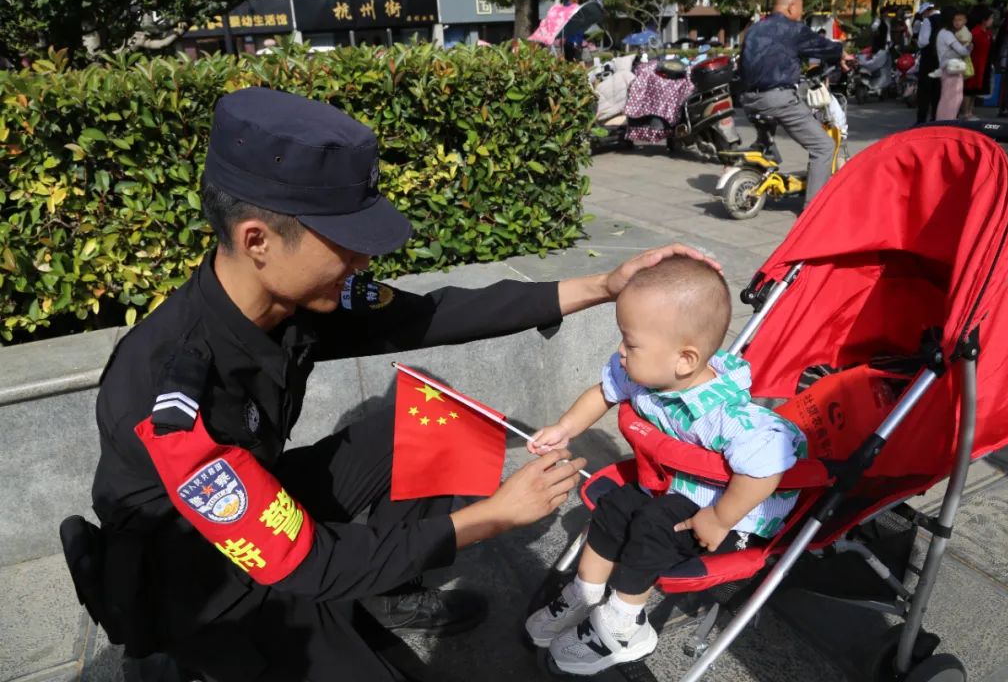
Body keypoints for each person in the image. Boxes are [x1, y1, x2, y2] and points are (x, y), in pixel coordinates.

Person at [88, 87, 718, 681]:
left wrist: (601, 286)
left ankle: (387, 591)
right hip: (206, 580)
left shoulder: (290, 299)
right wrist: (491, 518)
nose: (363, 262)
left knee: (433, 422)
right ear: (258, 241)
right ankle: (186, 661)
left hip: (268, 503)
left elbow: (430, 315)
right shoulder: (169, 392)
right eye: (347, 244)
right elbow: (305, 560)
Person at [522, 258, 806, 675]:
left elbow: (766, 468)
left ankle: (624, 624)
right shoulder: (649, 374)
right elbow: (602, 393)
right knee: (615, 506)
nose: (620, 350)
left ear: (685, 360)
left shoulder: (728, 416)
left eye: (630, 343)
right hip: (669, 483)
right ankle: (586, 590)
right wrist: (565, 428)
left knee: (654, 524)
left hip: (727, 509)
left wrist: (719, 516)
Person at [738, 0, 848, 206]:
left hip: (748, 99)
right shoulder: (793, 29)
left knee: (767, 138)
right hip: (777, 99)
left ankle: (766, 164)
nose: (801, 13)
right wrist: (842, 54)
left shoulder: (754, 29)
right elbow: (821, 45)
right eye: (801, 8)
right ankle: (813, 208)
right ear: (791, 7)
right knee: (823, 146)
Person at [936, 8, 972, 120]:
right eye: (955, 19)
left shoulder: (942, 33)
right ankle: (946, 123)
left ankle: (943, 123)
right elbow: (962, 51)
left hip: (947, 68)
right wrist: (969, 48)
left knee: (948, 98)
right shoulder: (947, 34)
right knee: (953, 99)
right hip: (951, 69)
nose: (957, 22)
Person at [961, 9, 994, 119]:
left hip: (982, 64)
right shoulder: (975, 33)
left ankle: (970, 111)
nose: (992, 21)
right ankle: (965, 112)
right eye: (990, 19)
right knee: (969, 89)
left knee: (975, 90)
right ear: (984, 20)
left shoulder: (987, 33)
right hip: (974, 63)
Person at [915, 6, 944, 123]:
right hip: (942, 59)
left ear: (928, 11)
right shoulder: (946, 20)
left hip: (928, 59)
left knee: (924, 91)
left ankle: (921, 119)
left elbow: (923, 42)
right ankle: (935, 118)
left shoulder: (929, 21)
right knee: (937, 91)